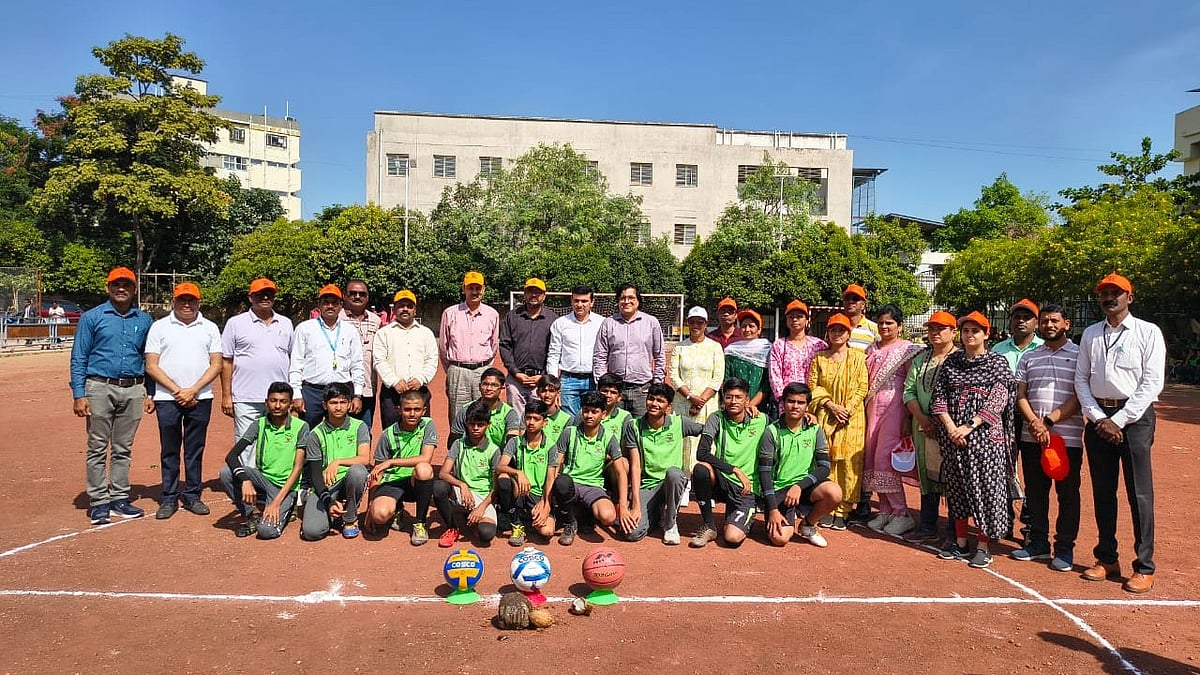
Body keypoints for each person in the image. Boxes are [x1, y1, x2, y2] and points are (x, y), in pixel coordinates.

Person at [1075, 273, 1165, 594]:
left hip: (1135, 418)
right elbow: (1081, 379)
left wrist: (1121, 420)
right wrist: (1100, 418)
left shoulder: (1148, 332)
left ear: (1130, 297)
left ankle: (1144, 566)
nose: (1109, 297)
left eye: (1117, 292)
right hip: (1100, 416)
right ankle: (1107, 557)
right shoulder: (1090, 334)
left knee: (1139, 492)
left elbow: (1152, 382)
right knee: (1102, 489)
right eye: (1105, 293)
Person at [70, 267, 154, 524]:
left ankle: (119, 497)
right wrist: (79, 393)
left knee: (123, 448)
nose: (121, 288)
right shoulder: (92, 317)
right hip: (99, 387)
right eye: (116, 284)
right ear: (108, 288)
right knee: (97, 447)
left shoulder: (145, 320)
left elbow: (148, 357)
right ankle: (98, 502)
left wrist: (150, 392)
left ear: (134, 289)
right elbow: (79, 356)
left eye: (126, 285)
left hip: (133, 388)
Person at [932, 311, 1014, 569]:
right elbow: (939, 397)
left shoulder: (996, 363)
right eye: (966, 331)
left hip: (985, 440)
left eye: (975, 331)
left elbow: (998, 400)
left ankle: (983, 545)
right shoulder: (952, 363)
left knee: (985, 490)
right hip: (953, 438)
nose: (970, 335)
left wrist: (968, 426)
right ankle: (960, 541)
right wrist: (950, 426)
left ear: (986, 334)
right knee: (957, 490)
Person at [1011, 304, 1083, 572]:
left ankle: (1064, 548)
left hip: (1067, 438)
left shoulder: (1079, 356)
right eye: (1044, 321)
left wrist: (1049, 421)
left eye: (1054, 321)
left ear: (1066, 323)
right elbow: (1021, 394)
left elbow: (1079, 396)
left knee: (1067, 494)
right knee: (1035, 493)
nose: (1049, 325)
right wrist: (1034, 423)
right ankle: (1038, 543)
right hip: (1032, 437)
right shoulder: (1030, 357)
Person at [144, 282, 223, 520]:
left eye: (191, 300)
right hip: (167, 398)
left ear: (199, 302)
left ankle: (192, 495)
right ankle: (168, 498)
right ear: (174, 302)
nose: (187, 304)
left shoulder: (209, 328)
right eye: (182, 300)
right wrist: (178, 390)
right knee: (169, 450)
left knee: (194, 450)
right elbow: (151, 365)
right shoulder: (159, 327)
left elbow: (216, 364)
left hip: (200, 397)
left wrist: (194, 390)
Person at [862, 305, 924, 536]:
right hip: (870, 409)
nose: (884, 327)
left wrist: (909, 417)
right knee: (871, 456)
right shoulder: (871, 349)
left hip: (895, 408)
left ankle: (901, 512)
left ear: (900, 326)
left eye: (889, 323)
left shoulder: (908, 350)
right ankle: (885, 510)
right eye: (881, 323)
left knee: (885, 458)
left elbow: (912, 384)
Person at [218, 382, 308, 539]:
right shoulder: (259, 424)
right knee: (226, 472)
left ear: (291, 404)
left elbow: (298, 467)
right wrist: (245, 480)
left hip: (285, 486)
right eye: (273, 401)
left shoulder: (301, 426)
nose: (277, 405)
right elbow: (232, 456)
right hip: (263, 478)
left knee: (267, 532)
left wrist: (276, 503)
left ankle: (286, 507)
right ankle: (251, 515)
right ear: (266, 402)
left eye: (283, 401)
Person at [758, 383, 842, 548]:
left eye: (800, 402)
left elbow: (824, 467)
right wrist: (773, 509)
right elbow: (764, 473)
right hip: (780, 490)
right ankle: (777, 517)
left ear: (807, 406)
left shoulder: (815, 429)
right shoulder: (771, 431)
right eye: (791, 401)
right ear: (783, 403)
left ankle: (808, 525)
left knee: (834, 492)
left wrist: (799, 486)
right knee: (780, 539)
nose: (795, 406)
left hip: (804, 487)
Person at [538, 391, 628, 546]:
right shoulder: (569, 433)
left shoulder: (609, 437)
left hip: (593, 486)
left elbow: (621, 472)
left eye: (595, 412)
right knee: (562, 483)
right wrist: (545, 501)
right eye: (586, 410)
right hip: (570, 484)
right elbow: (554, 466)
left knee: (608, 517)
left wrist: (624, 506)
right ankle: (570, 523)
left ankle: (583, 513)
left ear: (603, 414)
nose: (589, 415)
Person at [900, 310, 959, 544]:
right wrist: (923, 419)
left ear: (953, 332)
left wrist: (943, 421)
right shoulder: (921, 359)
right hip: (922, 426)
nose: (935, 332)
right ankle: (927, 526)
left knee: (952, 475)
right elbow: (909, 391)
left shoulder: (960, 359)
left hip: (951, 428)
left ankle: (955, 530)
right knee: (926, 474)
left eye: (940, 328)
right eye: (932, 328)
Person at [621, 382, 704, 545]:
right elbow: (635, 466)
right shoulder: (634, 426)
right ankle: (656, 513)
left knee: (674, 473)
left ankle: (670, 524)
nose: (654, 404)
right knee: (632, 533)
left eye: (660, 401)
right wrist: (636, 505)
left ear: (668, 406)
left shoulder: (679, 423)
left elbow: (706, 429)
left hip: (672, 483)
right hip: (649, 484)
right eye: (651, 399)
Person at [689, 377, 767, 548]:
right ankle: (709, 525)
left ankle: (745, 516)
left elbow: (787, 425)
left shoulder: (761, 420)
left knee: (732, 538)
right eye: (729, 397)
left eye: (738, 397)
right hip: (723, 480)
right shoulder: (716, 418)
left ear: (747, 400)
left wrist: (807, 416)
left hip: (747, 487)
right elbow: (702, 453)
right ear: (723, 399)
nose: (733, 401)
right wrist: (734, 469)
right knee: (700, 470)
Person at [808, 313, 869, 530]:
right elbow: (813, 385)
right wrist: (830, 405)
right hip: (827, 415)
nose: (836, 334)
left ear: (848, 333)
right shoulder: (819, 358)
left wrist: (847, 408)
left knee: (849, 464)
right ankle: (828, 507)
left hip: (851, 419)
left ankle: (843, 509)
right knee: (828, 461)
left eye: (841, 330)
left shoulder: (859, 358)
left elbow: (863, 386)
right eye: (833, 330)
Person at [220, 278, 294, 444]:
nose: (265, 298)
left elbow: (292, 359)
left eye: (269, 294)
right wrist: (226, 395)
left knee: (277, 442)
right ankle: (247, 471)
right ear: (250, 297)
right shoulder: (235, 323)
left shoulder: (286, 323)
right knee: (247, 444)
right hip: (246, 397)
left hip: (278, 398)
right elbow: (226, 361)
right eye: (260, 294)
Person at [364, 389, 436, 545]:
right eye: (407, 409)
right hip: (393, 482)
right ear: (399, 410)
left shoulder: (428, 425)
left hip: (415, 480)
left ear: (423, 410)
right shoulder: (387, 434)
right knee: (379, 515)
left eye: (417, 409)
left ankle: (420, 523)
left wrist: (391, 461)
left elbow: (426, 457)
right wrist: (370, 505)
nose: (412, 414)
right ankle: (397, 508)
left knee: (424, 468)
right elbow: (377, 472)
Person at [300, 382, 371, 540]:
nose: (338, 407)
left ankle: (350, 518)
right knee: (312, 532)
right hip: (325, 485)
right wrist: (328, 501)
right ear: (325, 405)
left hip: (349, 481)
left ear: (349, 404)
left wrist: (338, 462)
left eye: (342, 402)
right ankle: (332, 511)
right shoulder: (315, 434)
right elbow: (316, 474)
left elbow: (365, 459)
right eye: (333, 402)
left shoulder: (359, 426)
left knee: (358, 472)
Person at [289, 285, 365, 428]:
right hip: (312, 392)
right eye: (326, 302)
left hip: (342, 391)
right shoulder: (305, 328)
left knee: (340, 435)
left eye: (334, 303)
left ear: (341, 305)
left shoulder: (350, 330)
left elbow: (357, 364)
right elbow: (296, 363)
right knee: (307, 434)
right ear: (319, 305)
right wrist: (296, 394)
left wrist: (357, 395)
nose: (330, 306)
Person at [433, 401, 501, 547]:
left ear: (488, 425)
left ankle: (473, 517)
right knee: (439, 487)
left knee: (486, 534)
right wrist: (462, 484)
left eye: (480, 424)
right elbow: (444, 473)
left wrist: (481, 508)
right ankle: (452, 527)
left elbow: (496, 487)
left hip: (483, 498)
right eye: (472, 424)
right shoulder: (458, 444)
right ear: (466, 423)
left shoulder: (494, 450)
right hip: (461, 493)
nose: (475, 428)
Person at [592, 282, 665, 417]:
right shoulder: (609, 323)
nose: (626, 301)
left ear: (638, 300)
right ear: (618, 301)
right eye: (623, 298)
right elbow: (599, 357)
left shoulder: (651, 323)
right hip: (615, 391)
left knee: (641, 432)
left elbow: (659, 356)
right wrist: (602, 384)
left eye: (631, 298)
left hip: (642, 390)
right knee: (614, 430)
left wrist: (657, 385)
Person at [439, 271, 500, 430]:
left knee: (484, 414)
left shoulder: (492, 314)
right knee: (458, 416)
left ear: (484, 289)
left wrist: (484, 366)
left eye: (477, 288)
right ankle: (457, 451)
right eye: (470, 288)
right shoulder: (450, 313)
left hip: (482, 371)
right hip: (458, 371)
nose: (474, 292)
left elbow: (494, 346)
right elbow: (443, 346)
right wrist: (453, 368)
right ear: (463, 289)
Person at [669, 306, 723, 481]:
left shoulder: (715, 347)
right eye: (692, 322)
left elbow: (717, 378)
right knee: (683, 443)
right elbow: (674, 376)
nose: (696, 325)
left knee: (706, 442)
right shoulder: (680, 347)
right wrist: (690, 397)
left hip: (707, 405)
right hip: (683, 403)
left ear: (706, 324)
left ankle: (706, 484)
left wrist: (700, 401)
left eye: (700, 322)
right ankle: (683, 481)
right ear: (687, 323)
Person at [373, 289, 438, 429]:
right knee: (392, 433)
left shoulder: (425, 333)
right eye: (401, 306)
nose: (405, 309)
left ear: (415, 310)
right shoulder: (383, 333)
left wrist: (420, 379)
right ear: (394, 309)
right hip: (392, 393)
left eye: (409, 306)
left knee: (420, 434)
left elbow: (432, 360)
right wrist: (394, 381)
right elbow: (379, 360)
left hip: (419, 391)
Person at [495, 399, 556, 546]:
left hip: (539, 494)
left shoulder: (551, 446)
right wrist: (518, 473)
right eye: (528, 418)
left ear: (544, 422)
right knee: (503, 478)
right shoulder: (515, 442)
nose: (531, 422)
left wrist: (545, 502)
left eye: (536, 419)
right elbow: (500, 467)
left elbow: (550, 477)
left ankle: (536, 516)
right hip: (521, 490)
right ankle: (516, 523)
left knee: (546, 532)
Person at [842, 284, 879, 524]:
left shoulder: (874, 329)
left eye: (856, 299)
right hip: (840, 396)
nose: (852, 303)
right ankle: (842, 497)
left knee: (864, 448)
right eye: (848, 299)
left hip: (865, 395)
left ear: (864, 304)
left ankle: (864, 500)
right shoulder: (837, 325)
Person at [500, 278, 557, 418]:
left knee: (538, 420)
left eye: (538, 292)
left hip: (541, 380)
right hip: (516, 379)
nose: (534, 295)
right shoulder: (512, 317)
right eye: (530, 291)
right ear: (524, 294)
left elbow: (555, 350)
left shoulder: (553, 319)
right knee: (516, 421)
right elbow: (505, 346)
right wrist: (515, 372)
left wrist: (543, 375)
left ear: (544, 295)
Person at [545, 284, 603, 416]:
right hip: (568, 380)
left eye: (584, 301)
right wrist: (554, 385)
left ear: (592, 302)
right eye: (576, 300)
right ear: (571, 301)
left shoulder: (602, 323)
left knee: (592, 418)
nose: (580, 304)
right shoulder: (561, 323)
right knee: (570, 421)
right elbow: (553, 355)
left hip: (593, 380)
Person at [341, 280, 383, 429]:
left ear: (367, 297)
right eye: (352, 293)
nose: (357, 296)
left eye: (362, 294)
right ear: (345, 296)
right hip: (342, 387)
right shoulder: (337, 320)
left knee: (364, 431)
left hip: (367, 387)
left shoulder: (376, 321)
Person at [448, 366, 521, 449]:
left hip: (499, 458)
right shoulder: (466, 410)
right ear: (479, 386)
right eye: (485, 384)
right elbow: (453, 442)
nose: (489, 388)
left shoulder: (509, 413)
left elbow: (512, 441)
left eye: (494, 385)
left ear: (502, 389)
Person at [768, 300, 828, 398]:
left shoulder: (819, 345)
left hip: (813, 400)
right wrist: (783, 398)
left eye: (799, 316)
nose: (795, 320)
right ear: (786, 321)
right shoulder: (779, 345)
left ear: (807, 320)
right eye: (791, 317)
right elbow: (774, 375)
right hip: (788, 402)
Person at [723, 309, 772, 415]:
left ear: (759, 330)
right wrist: (738, 402)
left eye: (751, 326)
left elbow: (767, 383)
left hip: (759, 407)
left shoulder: (767, 350)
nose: (747, 329)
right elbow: (727, 379)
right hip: (734, 405)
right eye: (744, 326)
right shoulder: (731, 351)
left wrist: (751, 404)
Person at [993, 299, 1044, 375]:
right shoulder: (997, 349)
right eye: (1017, 317)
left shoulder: (1044, 349)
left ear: (1036, 323)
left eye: (1026, 317)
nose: (1021, 320)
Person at [534, 374, 573, 446]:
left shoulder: (567, 419)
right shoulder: (530, 416)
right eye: (543, 391)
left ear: (558, 393)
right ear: (537, 393)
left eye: (551, 391)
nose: (547, 395)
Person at [595, 373, 635, 441]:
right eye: (605, 391)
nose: (608, 395)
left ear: (619, 397)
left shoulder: (625, 417)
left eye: (613, 392)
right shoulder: (586, 413)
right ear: (597, 392)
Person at [842, 284, 880, 354]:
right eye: (847, 298)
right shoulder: (835, 328)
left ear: (863, 305)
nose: (850, 301)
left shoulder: (875, 329)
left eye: (855, 299)